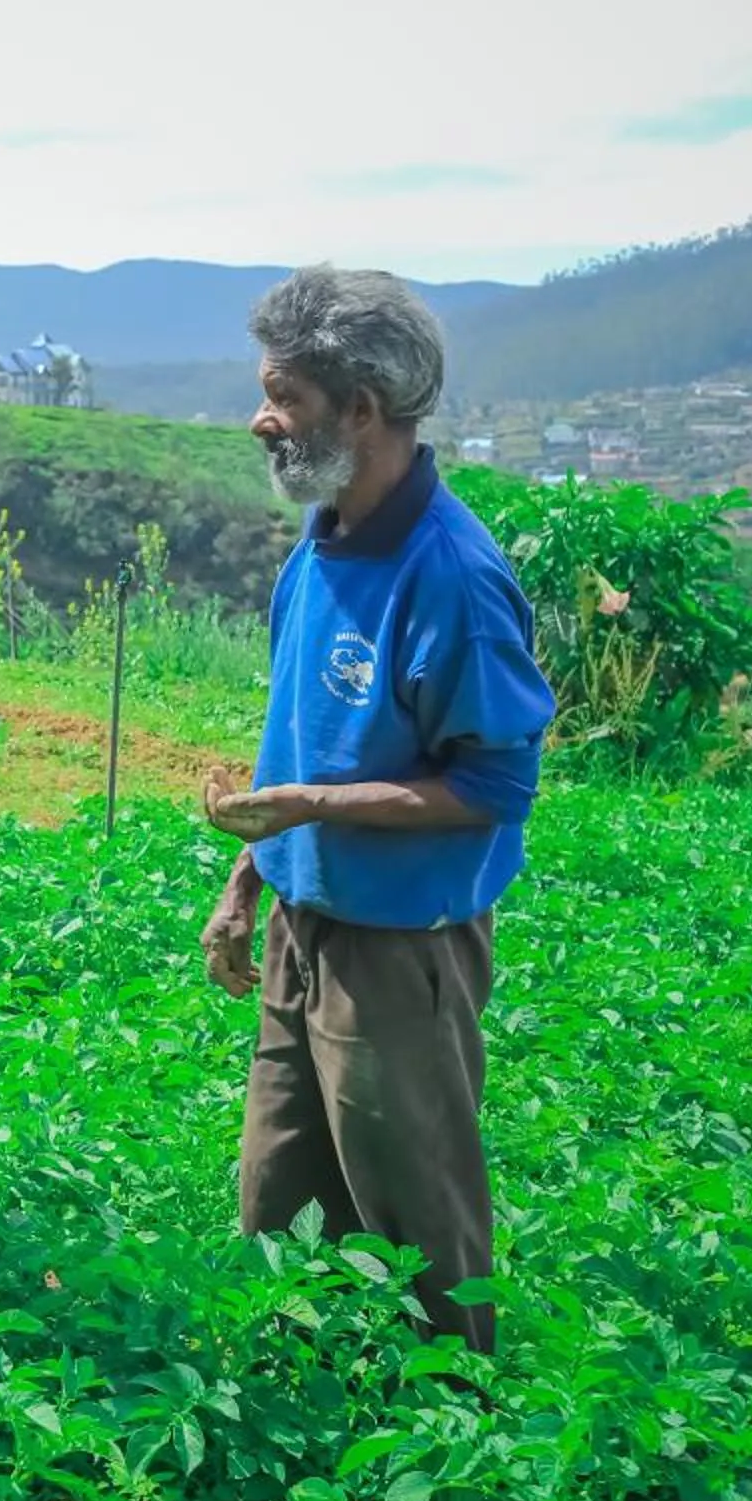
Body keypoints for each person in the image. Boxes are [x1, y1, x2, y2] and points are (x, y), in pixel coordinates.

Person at [197, 264, 556, 1358]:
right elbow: (299, 737)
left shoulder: (451, 574)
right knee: (281, 1202)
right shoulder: (325, 533)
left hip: (400, 948)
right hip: (306, 929)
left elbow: (494, 784)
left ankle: (459, 1441)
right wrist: (244, 884)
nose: (262, 418)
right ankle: (291, 1412)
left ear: (361, 406)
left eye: (285, 395)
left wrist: (310, 805)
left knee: (416, 1218)